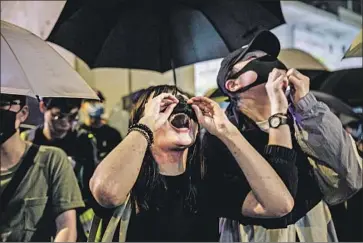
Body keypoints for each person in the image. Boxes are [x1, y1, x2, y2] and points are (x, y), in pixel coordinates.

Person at [88, 85, 297, 242]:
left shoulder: (208, 183)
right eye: (165, 107)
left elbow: (279, 205)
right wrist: (147, 124)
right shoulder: (129, 181)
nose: (179, 108)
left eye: (185, 105)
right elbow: (107, 193)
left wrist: (227, 132)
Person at [212, 30, 362, 242]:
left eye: (272, 57)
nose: (271, 63)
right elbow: (278, 208)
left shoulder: (304, 121)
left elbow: (352, 176)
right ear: (233, 84)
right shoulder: (222, 136)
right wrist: (278, 114)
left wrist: (307, 106)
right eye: (255, 59)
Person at [0, 94, 84, 242]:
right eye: (58, 116)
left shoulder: (54, 158)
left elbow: (66, 227)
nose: (65, 124)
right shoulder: (30, 137)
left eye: (3, 103)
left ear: (23, 113)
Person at [20, 97, 98, 241]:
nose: (65, 124)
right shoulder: (27, 140)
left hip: (77, 222)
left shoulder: (84, 142)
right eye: (58, 116)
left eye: (73, 117)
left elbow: (93, 187)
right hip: (35, 223)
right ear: (43, 107)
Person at [80, 90, 122, 162]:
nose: (96, 104)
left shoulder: (113, 134)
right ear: (82, 106)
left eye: (99, 101)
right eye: (91, 101)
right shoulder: (78, 134)